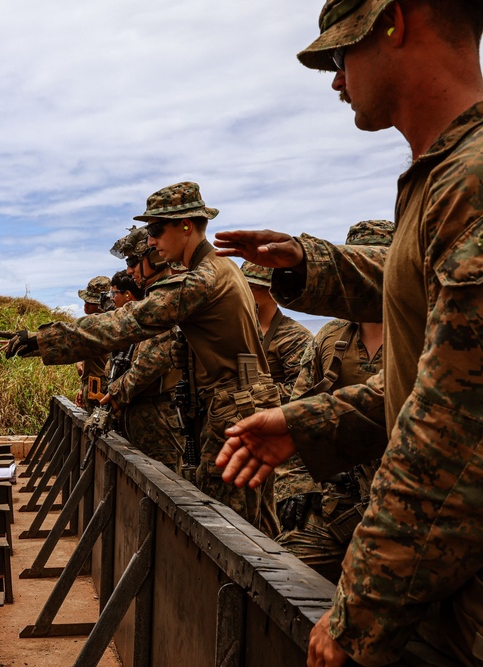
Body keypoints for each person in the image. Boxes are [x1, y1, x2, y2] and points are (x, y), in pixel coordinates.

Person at [213, 1, 483, 663]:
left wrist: (357, 609)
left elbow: (453, 435)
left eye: (340, 55)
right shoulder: (444, 177)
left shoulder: (469, 183)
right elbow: (422, 348)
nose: (336, 80)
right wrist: (306, 423)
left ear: (393, 21)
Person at [4, 181, 280, 537]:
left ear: (186, 225)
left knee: (232, 530)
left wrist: (44, 340)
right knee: (252, 522)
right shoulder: (220, 270)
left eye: (155, 229)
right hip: (238, 402)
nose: (150, 241)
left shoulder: (202, 279)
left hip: (234, 407)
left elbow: (128, 322)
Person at [273, 220, 392, 584]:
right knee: (281, 578)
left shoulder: (423, 332)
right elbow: (297, 417)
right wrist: (295, 488)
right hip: (338, 502)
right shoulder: (331, 337)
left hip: (401, 505)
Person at [101, 227, 185, 470]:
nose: (129, 270)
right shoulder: (150, 300)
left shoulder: (168, 299)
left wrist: (115, 395)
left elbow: (149, 364)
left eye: (133, 261)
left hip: (159, 422)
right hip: (140, 418)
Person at [240, 261, 313, 405]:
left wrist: (252, 395)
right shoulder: (236, 328)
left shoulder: (294, 337)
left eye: (252, 287)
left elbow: (303, 390)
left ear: (271, 292)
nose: (243, 292)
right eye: (242, 286)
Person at [75, 276, 111, 410]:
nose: (86, 305)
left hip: (103, 392)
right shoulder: (90, 324)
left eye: (91, 302)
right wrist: (82, 388)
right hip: (90, 389)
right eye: (85, 301)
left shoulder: (107, 325)